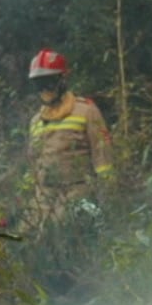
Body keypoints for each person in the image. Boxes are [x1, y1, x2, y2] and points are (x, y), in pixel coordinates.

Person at [24, 47, 113, 234]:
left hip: (78, 191)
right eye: (39, 84)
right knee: (27, 234)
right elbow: (34, 163)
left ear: (62, 80)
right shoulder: (36, 121)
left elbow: (102, 156)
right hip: (45, 196)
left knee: (63, 232)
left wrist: (107, 197)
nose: (44, 90)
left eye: (48, 82)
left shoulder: (86, 111)